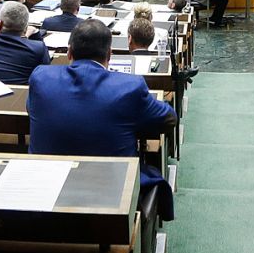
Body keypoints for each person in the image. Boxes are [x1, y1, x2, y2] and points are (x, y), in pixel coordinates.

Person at [27, 20, 178, 220]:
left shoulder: (40, 77)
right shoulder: (130, 86)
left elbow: (31, 109)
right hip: (109, 191)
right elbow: (169, 119)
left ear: (69, 53)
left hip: (45, 184)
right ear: (110, 55)